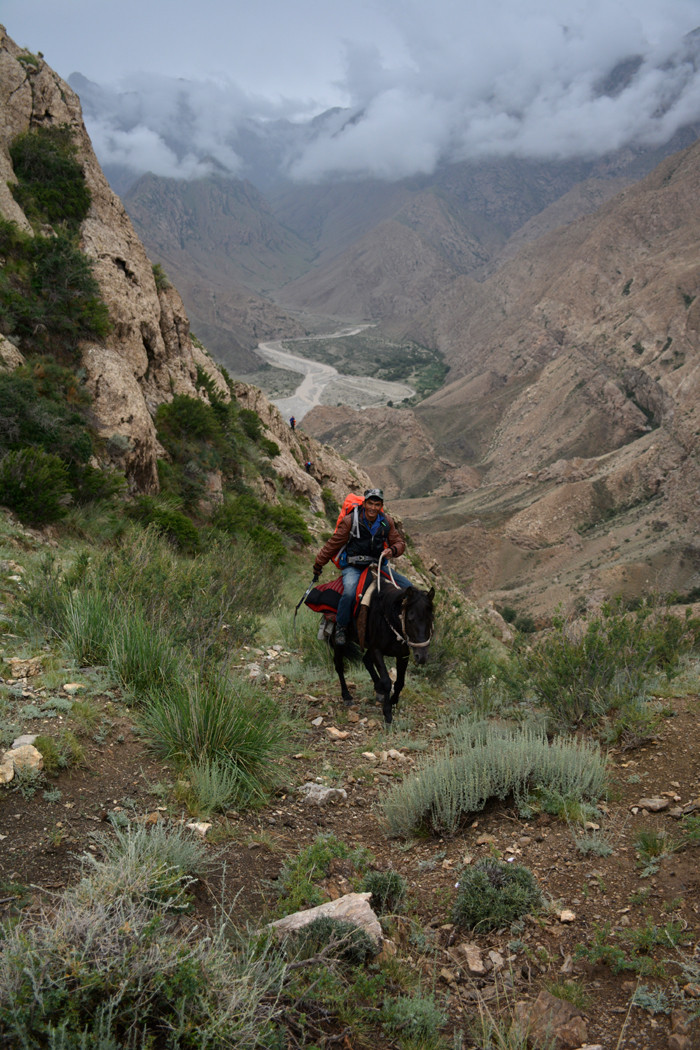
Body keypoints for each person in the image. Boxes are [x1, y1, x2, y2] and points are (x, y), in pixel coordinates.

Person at [312, 487, 411, 646]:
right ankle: (341, 628)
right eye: (370, 503)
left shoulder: (386, 522)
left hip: (376, 565)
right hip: (354, 566)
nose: (373, 508)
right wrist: (318, 563)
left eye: (377, 504)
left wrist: (392, 550)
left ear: (381, 506)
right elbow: (333, 544)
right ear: (364, 503)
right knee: (350, 592)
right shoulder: (350, 521)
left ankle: (406, 632)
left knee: (408, 588)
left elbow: (399, 542)